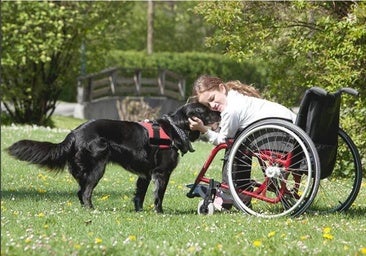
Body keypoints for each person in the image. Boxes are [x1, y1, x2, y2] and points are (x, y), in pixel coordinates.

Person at [188, 75, 296, 210]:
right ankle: (239, 192)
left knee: (232, 144)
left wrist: (203, 129)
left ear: (222, 88)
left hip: (279, 136)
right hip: (288, 132)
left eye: (212, 99)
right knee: (238, 140)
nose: (212, 106)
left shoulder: (231, 110)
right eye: (207, 105)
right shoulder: (238, 99)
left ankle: (229, 193)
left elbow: (222, 141)